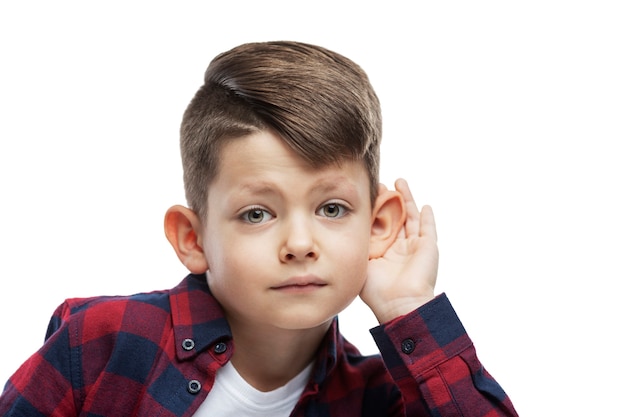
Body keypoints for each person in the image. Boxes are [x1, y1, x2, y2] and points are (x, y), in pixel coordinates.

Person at [0, 41, 518, 416]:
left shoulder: (377, 399)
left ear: (378, 225)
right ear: (192, 238)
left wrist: (408, 310)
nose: (298, 245)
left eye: (332, 209)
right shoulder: (104, 345)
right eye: (257, 214)